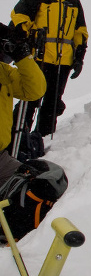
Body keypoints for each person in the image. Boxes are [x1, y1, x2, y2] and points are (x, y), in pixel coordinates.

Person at [10, 0, 88, 138]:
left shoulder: (74, 2)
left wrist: (79, 58)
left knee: (52, 105)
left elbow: (80, 33)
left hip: (63, 62)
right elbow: (19, 18)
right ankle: (15, 140)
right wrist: (24, 45)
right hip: (37, 59)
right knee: (29, 101)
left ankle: (41, 142)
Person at [0, 22, 47, 170]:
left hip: (1, 158)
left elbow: (34, 90)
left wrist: (22, 55)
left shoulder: (4, 72)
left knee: (43, 182)